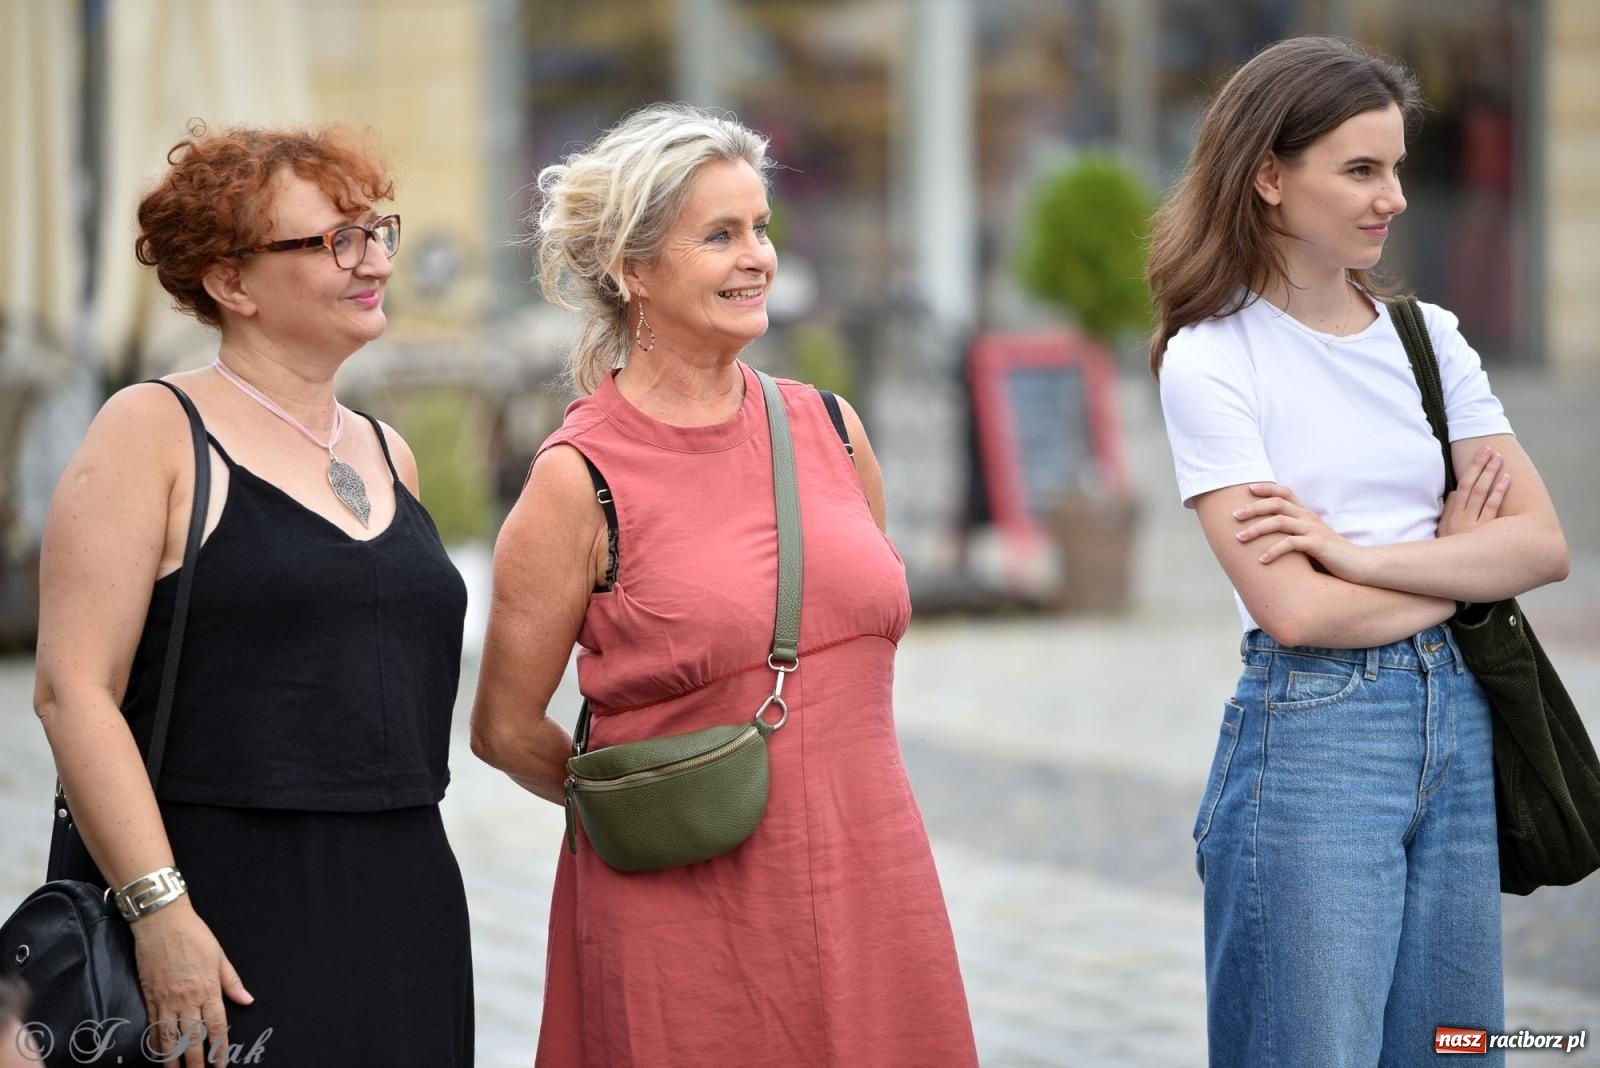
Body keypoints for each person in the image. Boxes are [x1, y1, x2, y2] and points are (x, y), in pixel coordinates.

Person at [471, 103, 978, 1066]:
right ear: (634, 270)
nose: (758, 257)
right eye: (719, 236)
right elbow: (502, 727)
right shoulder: (579, 478)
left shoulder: (830, 428)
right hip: (686, 907)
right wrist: (650, 805)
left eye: (761, 229)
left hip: (874, 877)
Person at [1148, 36, 1569, 1067]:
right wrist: (1450, 560)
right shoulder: (1211, 362)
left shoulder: (1429, 338)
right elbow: (1298, 612)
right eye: (1359, 170)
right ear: (1268, 178)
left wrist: (1361, 557)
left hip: (1459, 718)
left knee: (1457, 1047)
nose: (1394, 198)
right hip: (1313, 733)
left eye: (1394, 167)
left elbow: (1542, 545)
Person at [32, 123, 473, 1066]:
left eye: (377, 231)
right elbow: (73, 692)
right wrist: (162, 912)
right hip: (220, 900)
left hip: (404, 898)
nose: (375, 262)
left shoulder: (388, 451)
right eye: (334, 241)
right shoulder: (152, 429)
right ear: (232, 283)